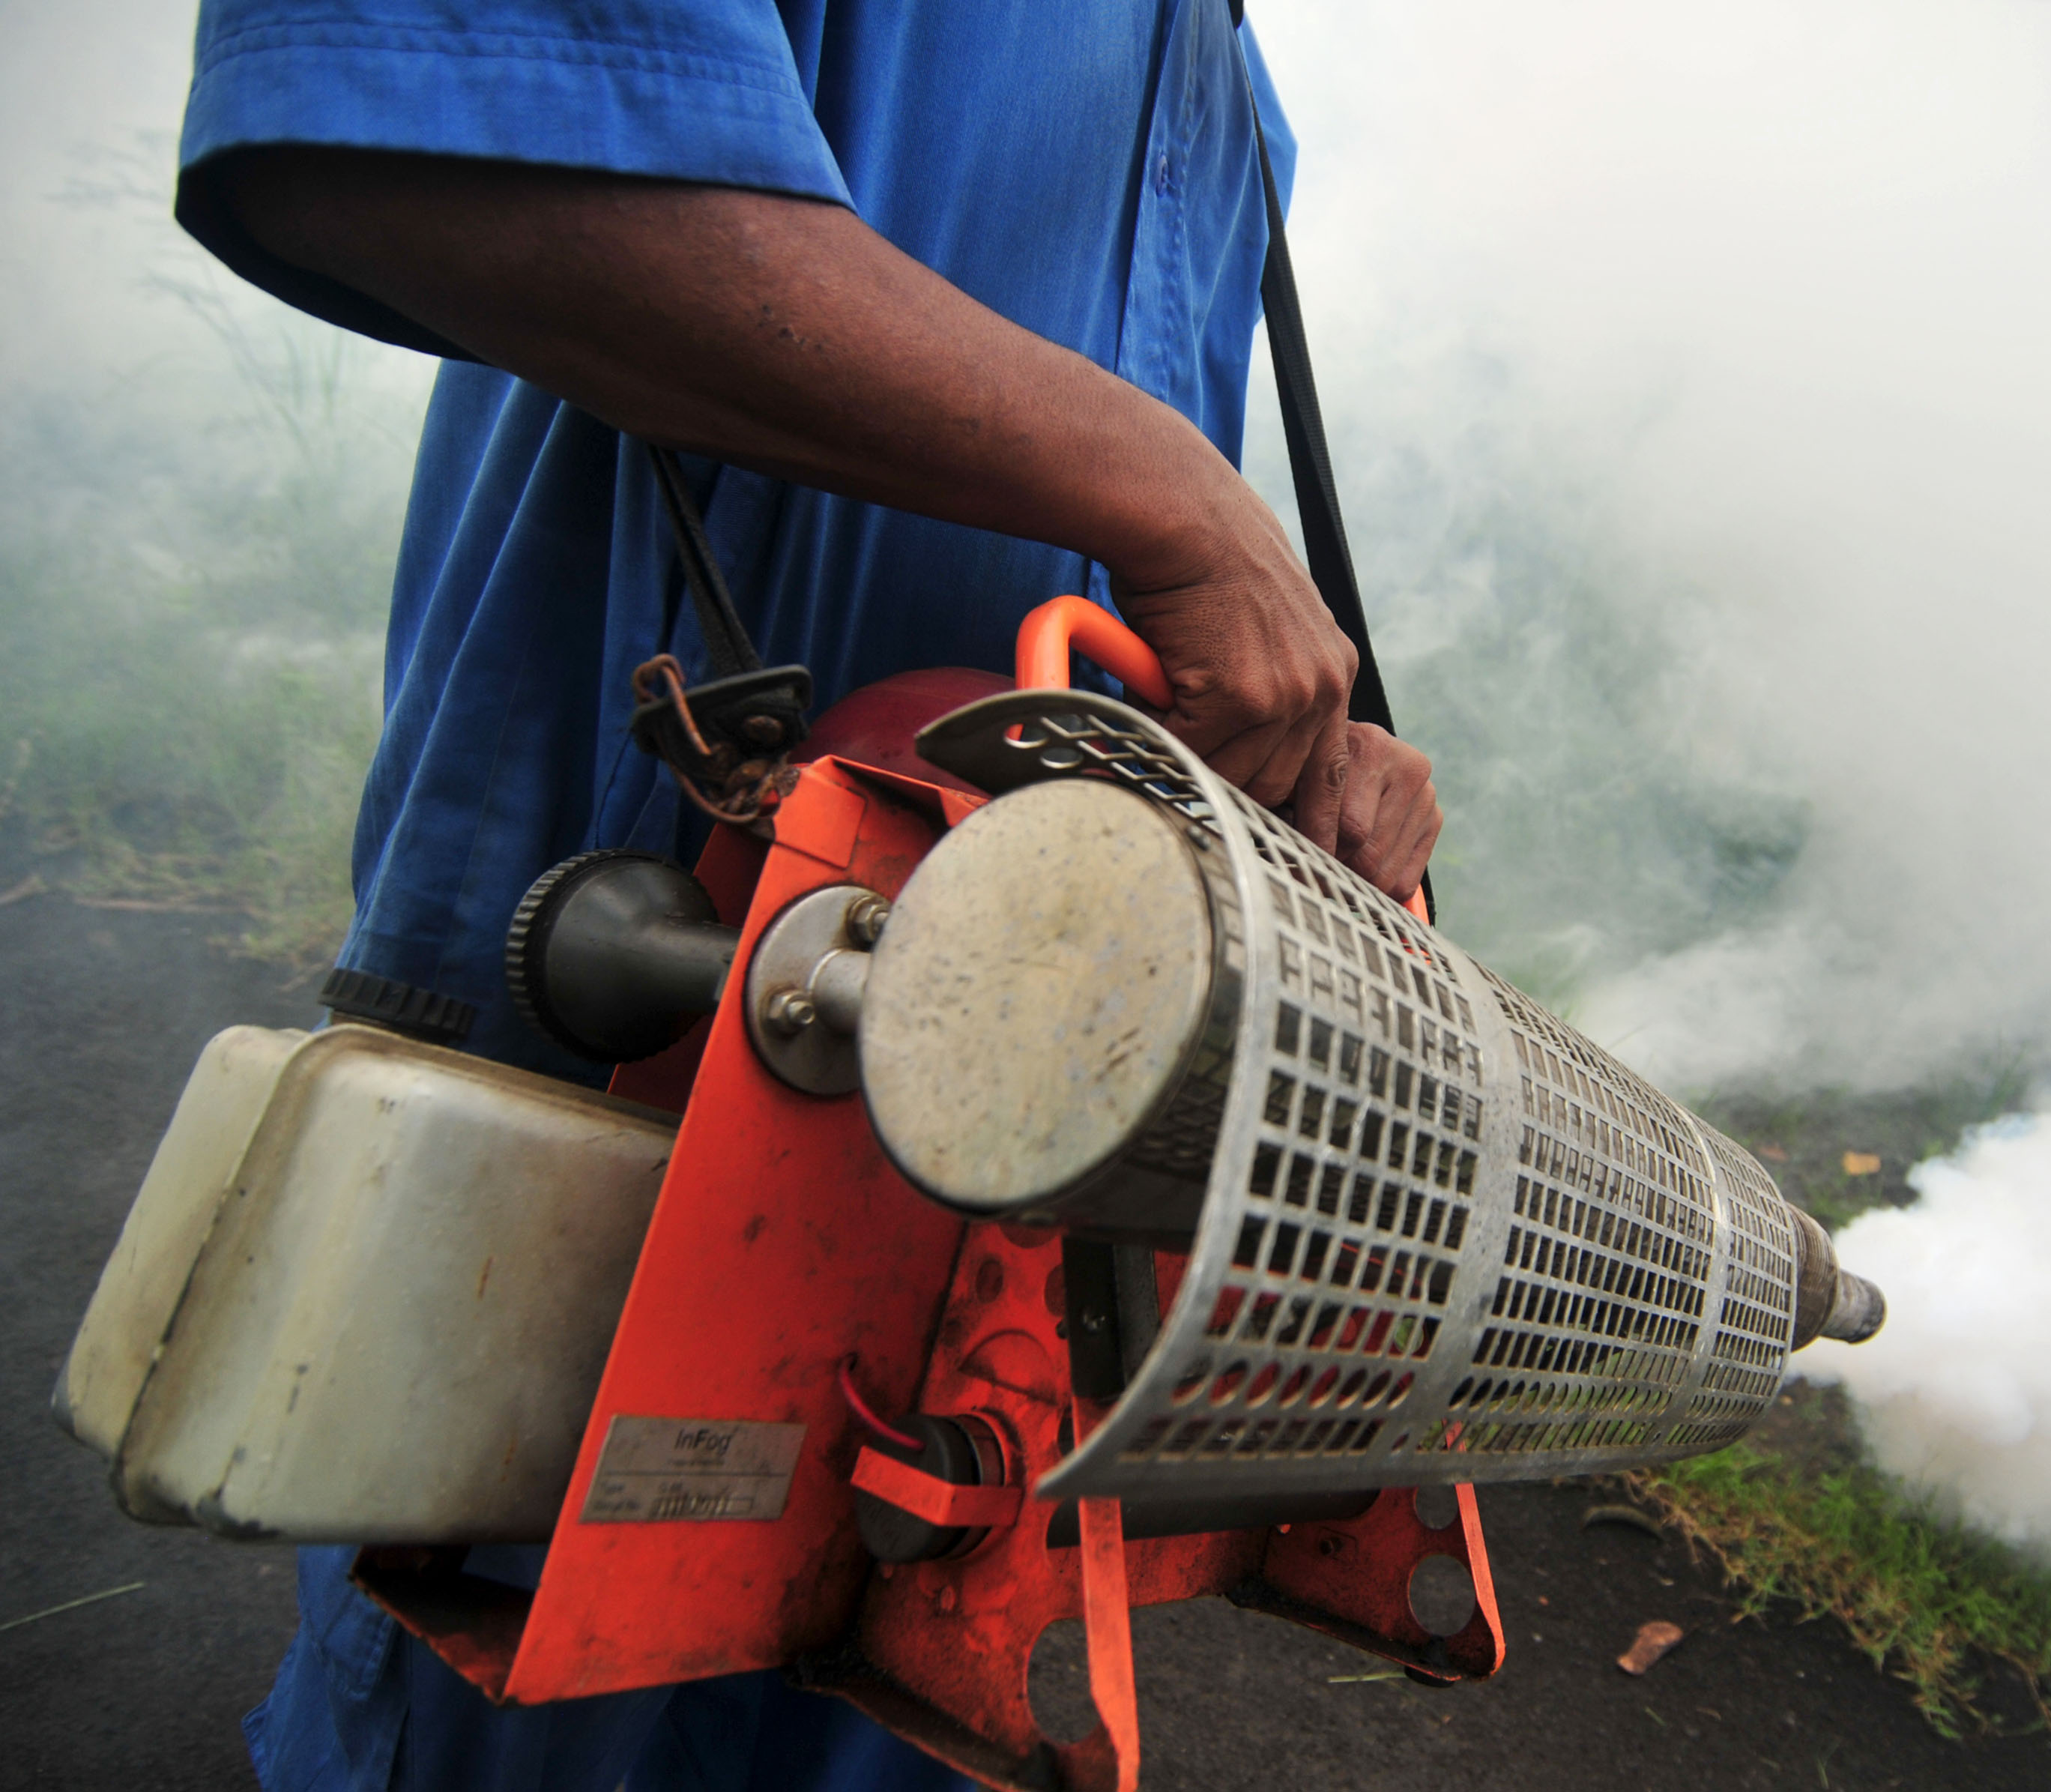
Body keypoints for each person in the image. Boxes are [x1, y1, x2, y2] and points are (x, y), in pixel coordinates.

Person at [169, 1, 1445, 1786]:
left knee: (904, 1668)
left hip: (999, 1120)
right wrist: (1190, 511)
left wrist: (1297, 752)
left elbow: (1115, 587)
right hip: (655, 1013)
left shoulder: (1224, 84)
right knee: (560, 1682)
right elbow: (396, 145)